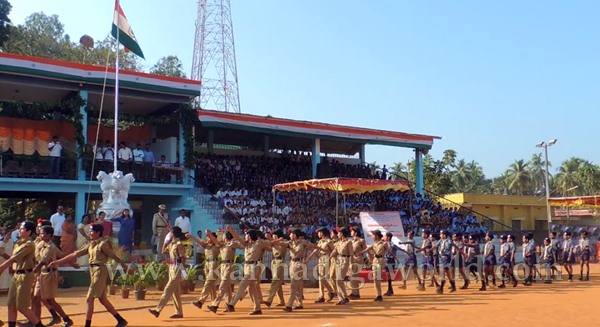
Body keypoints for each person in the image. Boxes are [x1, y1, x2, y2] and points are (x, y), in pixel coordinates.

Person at [49, 224, 129, 327]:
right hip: (93, 271)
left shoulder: (102, 244)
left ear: (98, 233)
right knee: (102, 299)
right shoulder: (91, 244)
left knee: (89, 299)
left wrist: (125, 267)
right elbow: (75, 254)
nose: (89, 233)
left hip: (100, 271)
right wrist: (58, 262)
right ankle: (121, 320)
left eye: (91, 231)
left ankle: (87, 325)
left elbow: (114, 256)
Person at [0, 221, 46, 327]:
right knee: (11, 304)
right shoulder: (19, 243)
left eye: (22, 229)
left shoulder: (29, 244)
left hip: (25, 276)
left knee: (22, 306)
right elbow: (14, 260)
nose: (19, 230)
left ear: (29, 232)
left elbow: (13, 258)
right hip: (17, 275)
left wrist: (1, 268)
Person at [224, 226, 272, 315]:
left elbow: (270, 244)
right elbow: (238, 237)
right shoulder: (246, 244)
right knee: (251, 288)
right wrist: (231, 230)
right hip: (247, 266)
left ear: (250, 236)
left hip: (255, 266)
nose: (245, 236)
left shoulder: (259, 243)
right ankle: (257, 308)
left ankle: (231, 304)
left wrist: (272, 239)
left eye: (246, 235)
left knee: (243, 284)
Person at [32, 225, 74, 327]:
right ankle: (37, 322)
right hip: (41, 274)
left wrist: (33, 271)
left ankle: (66, 319)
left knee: (49, 299)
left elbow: (43, 261)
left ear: (49, 235)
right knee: (36, 297)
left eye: (43, 233)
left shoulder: (51, 247)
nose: (40, 235)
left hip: (49, 274)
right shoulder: (40, 244)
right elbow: (61, 255)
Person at [148, 227, 187, 319]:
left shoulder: (179, 244)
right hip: (172, 268)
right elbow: (163, 251)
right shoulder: (172, 243)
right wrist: (165, 241)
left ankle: (158, 310)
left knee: (167, 290)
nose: (169, 233)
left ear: (173, 234)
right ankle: (179, 313)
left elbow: (183, 258)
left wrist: (183, 272)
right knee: (175, 293)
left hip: (177, 269)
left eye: (170, 232)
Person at [207, 229, 244, 313]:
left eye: (223, 235)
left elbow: (242, 245)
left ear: (226, 236)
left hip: (229, 266)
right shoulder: (222, 244)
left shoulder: (232, 244)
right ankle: (229, 305)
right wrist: (210, 234)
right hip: (223, 266)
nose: (222, 236)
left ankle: (215, 305)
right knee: (227, 288)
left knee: (222, 285)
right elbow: (215, 240)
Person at [189, 231, 220, 309]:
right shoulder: (206, 245)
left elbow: (215, 240)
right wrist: (191, 236)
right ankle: (214, 302)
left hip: (214, 264)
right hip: (207, 264)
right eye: (207, 237)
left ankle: (200, 301)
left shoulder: (217, 244)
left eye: (209, 237)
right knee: (211, 285)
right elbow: (198, 241)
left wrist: (210, 234)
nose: (207, 238)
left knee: (208, 282)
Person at [358, 230, 388, 302]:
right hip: (375, 260)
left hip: (381, 260)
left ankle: (379, 295)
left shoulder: (384, 243)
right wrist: (359, 253)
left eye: (373, 235)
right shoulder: (374, 244)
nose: (372, 236)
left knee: (377, 278)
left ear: (377, 236)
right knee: (375, 278)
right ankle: (378, 295)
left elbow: (389, 251)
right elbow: (366, 249)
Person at [307, 227, 335, 303]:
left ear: (322, 233)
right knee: (320, 278)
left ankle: (331, 291)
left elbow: (333, 251)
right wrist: (309, 257)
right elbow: (316, 250)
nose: (318, 234)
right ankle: (321, 295)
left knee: (322, 277)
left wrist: (318, 248)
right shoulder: (320, 241)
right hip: (321, 258)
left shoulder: (329, 241)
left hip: (327, 257)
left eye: (319, 232)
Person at [263, 229, 289, 307]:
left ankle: (269, 300)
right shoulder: (274, 242)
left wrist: (270, 239)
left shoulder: (283, 241)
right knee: (278, 283)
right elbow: (269, 247)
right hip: (274, 261)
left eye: (273, 235)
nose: (272, 236)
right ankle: (281, 301)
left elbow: (280, 244)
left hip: (280, 261)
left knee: (275, 281)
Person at [330, 227, 354, 305]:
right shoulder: (338, 243)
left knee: (339, 280)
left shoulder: (348, 242)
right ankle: (341, 298)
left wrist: (351, 265)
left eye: (339, 233)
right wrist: (330, 257)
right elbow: (334, 251)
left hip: (345, 260)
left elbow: (351, 254)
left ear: (342, 234)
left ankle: (345, 297)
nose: (338, 234)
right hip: (338, 260)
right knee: (338, 280)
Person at [349, 227, 367, 299]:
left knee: (355, 276)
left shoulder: (361, 241)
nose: (351, 232)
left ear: (355, 233)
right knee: (352, 276)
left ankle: (356, 294)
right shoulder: (351, 241)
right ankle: (354, 292)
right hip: (352, 259)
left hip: (358, 259)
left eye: (352, 231)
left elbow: (366, 249)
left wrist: (359, 253)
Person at [0, 228, 14, 293]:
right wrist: (11, 259)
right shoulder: (1, 243)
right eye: (8, 235)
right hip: (3, 262)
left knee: (8, 277)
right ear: (4, 235)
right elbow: (2, 254)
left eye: (10, 235)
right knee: (3, 277)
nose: (9, 236)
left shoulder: (11, 242)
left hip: (10, 261)